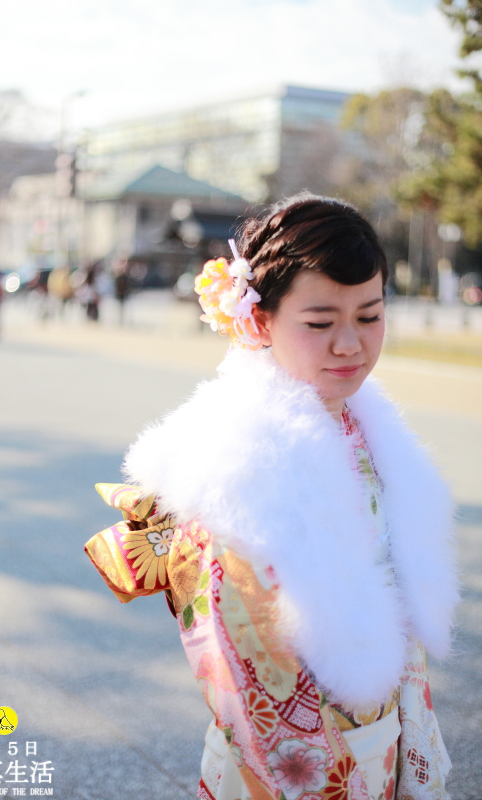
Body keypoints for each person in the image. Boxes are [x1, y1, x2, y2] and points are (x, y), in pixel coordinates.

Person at [85, 194, 459, 800]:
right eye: (320, 322)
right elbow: (241, 655)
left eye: (370, 315)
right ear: (258, 320)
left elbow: (398, 613)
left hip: (381, 734)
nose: (351, 344)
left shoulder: (370, 432)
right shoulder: (235, 464)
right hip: (291, 759)